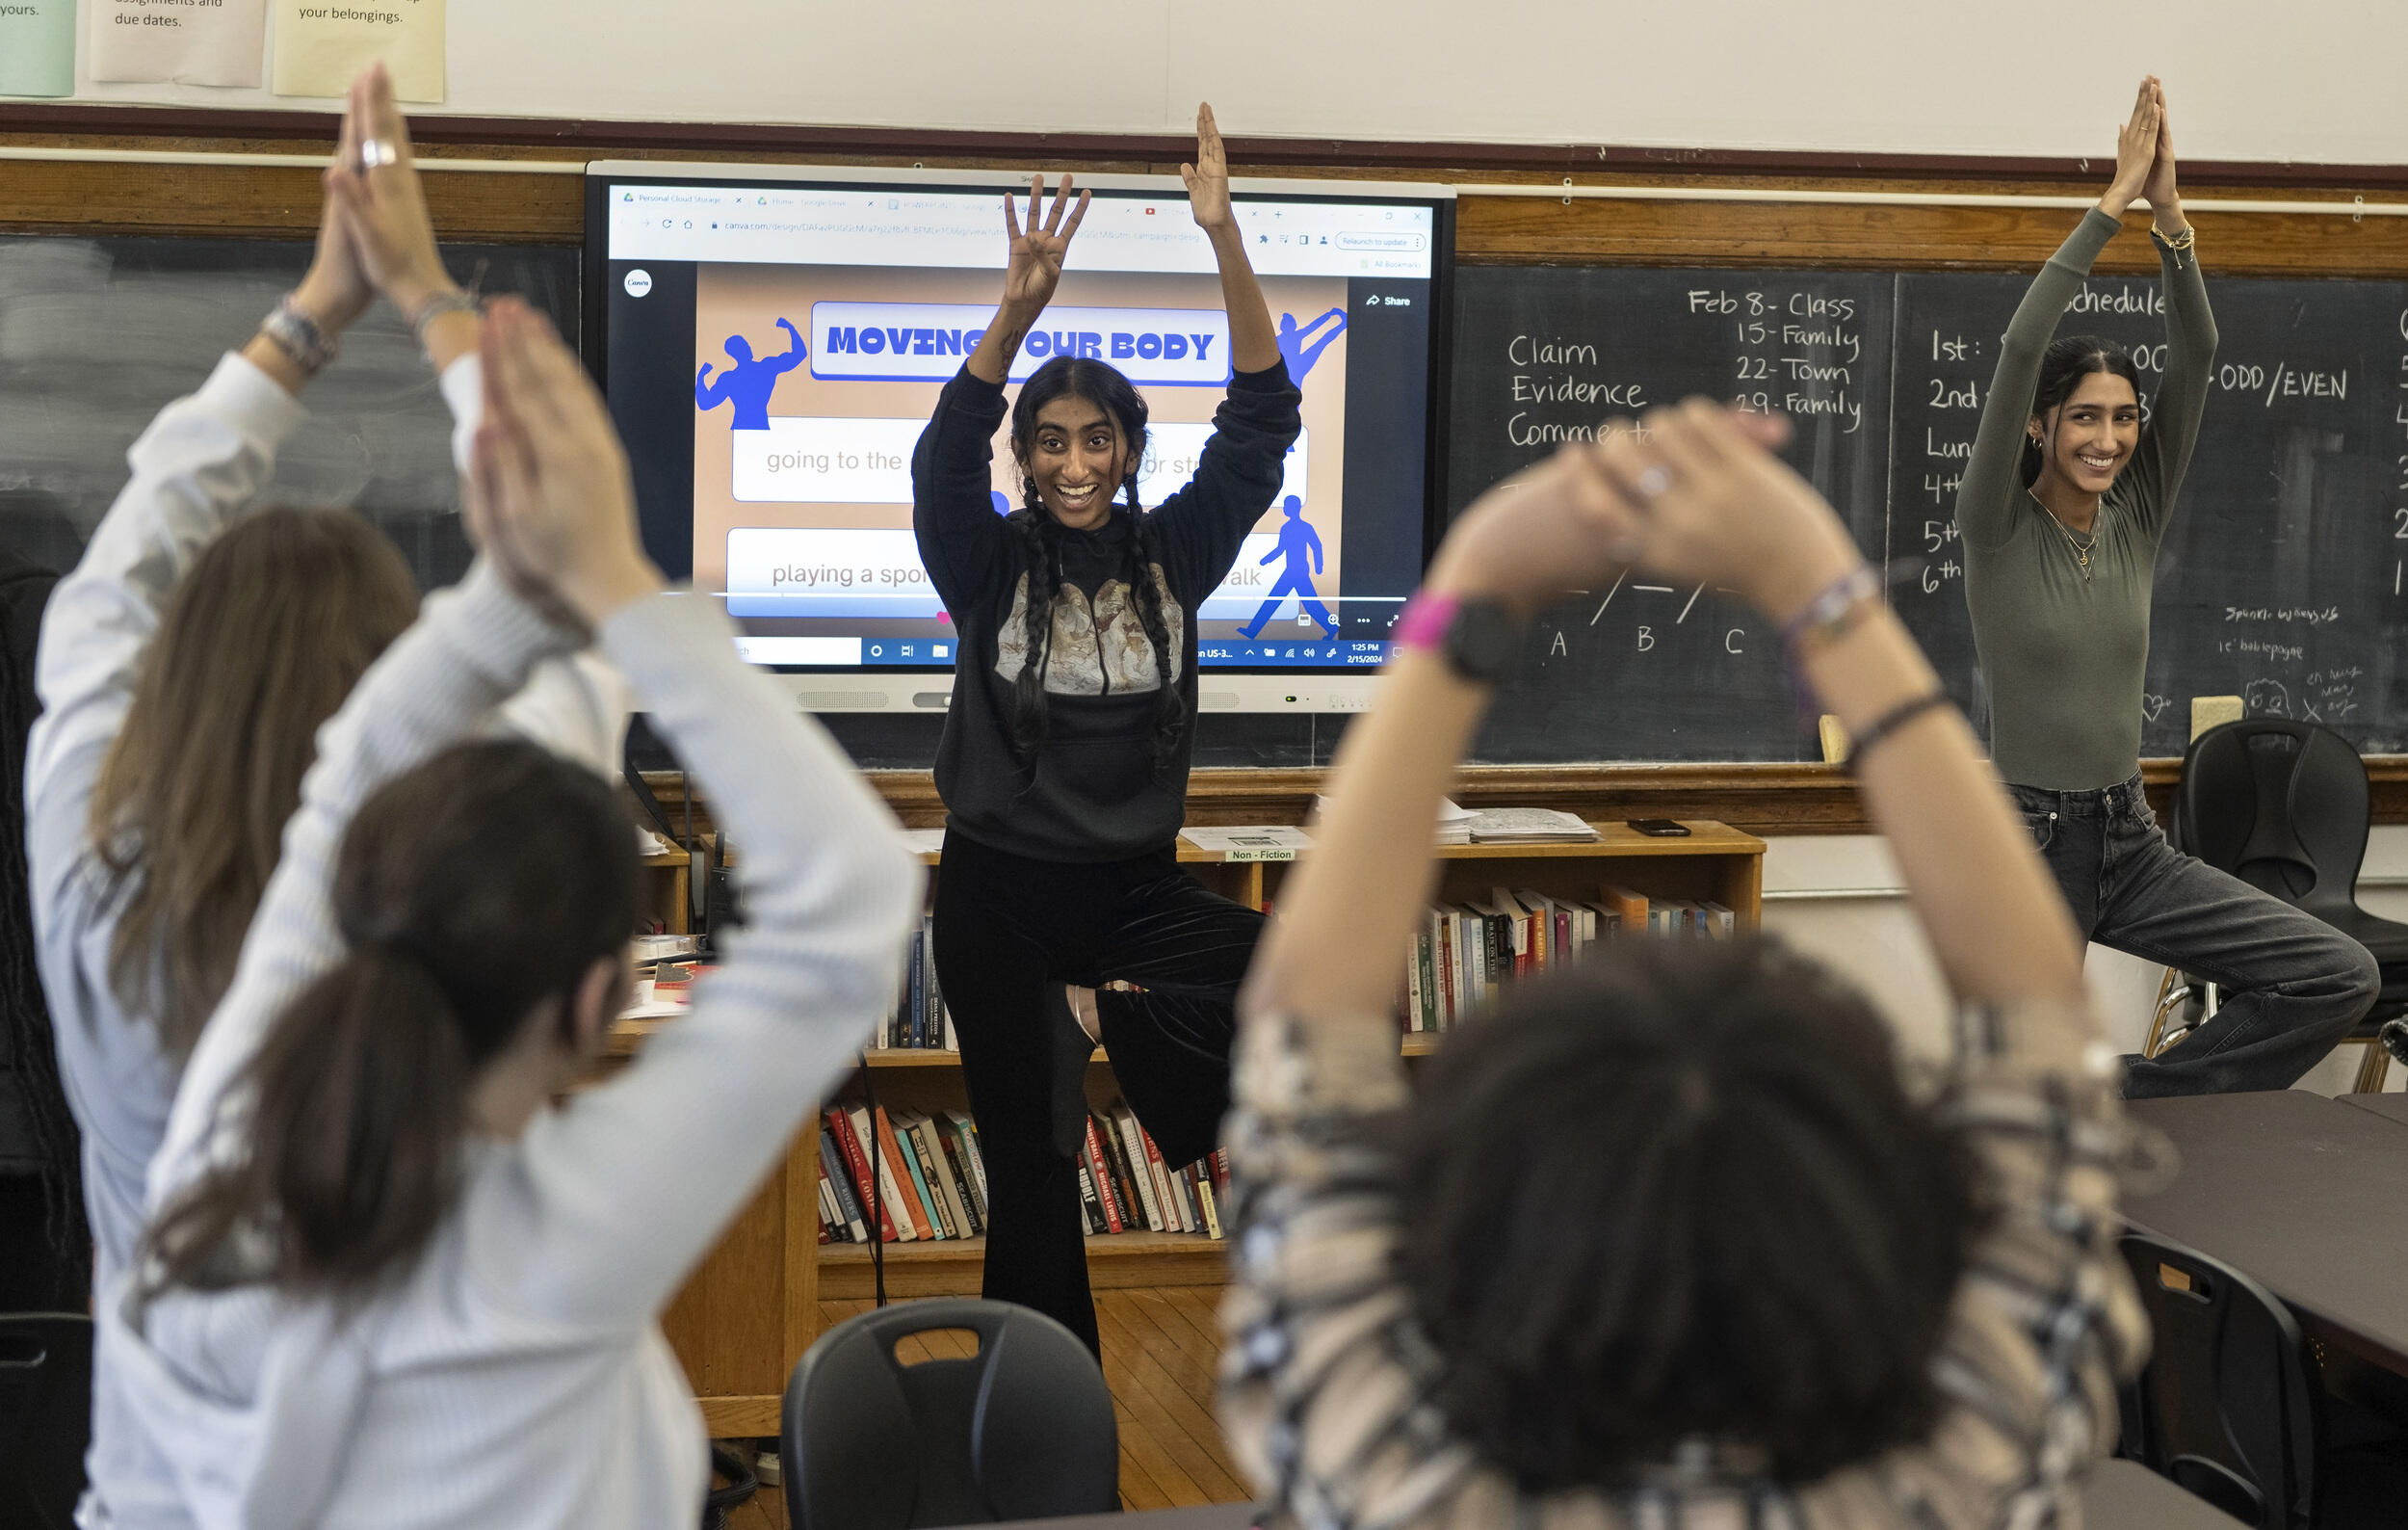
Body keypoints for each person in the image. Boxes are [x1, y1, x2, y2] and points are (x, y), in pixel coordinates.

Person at [1221, 400, 2143, 1527]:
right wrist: (1828, 594)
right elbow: (2039, 1008)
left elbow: (1300, 1029)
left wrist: (1472, 582)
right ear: (1886, 1209)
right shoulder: (1967, 1459)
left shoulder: (1396, 1474)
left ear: (1467, 1217)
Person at [109, 298, 919, 1530]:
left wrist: (567, 589)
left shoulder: (219, 1152)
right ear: (600, 998)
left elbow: (348, 778)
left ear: (347, 909)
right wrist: (602, 578)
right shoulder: (543, 1253)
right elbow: (861, 894)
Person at [26, 66, 622, 1526]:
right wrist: (428, 295)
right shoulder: (469, 911)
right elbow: (570, 601)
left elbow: (117, 574)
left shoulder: (91, 873)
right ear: (393, 680)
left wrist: (319, 307)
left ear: (172, 683)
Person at [910, 103, 1298, 1355]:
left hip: (1129, 896)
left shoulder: (1171, 555)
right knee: (1033, 1179)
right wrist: (1015, 316)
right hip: (998, 902)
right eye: (1053, 442)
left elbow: (1259, 424)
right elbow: (937, 463)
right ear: (1027, 458)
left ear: (1128, 450)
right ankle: (1042, 1437)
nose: (1076, 462)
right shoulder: (984, 564)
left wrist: (1223, 233)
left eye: (1099, 439)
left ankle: (1101, 1019)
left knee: (1315, 984)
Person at [1957, 77, 2373, 1096]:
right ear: (2039, 427)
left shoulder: (2135, 514)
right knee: (2018, 1093)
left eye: (2123, 417)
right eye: (2085, 417)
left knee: (2337, 974)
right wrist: (2110, 206)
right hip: (2027, 839)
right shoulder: (1994, 524)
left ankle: (2136, 1096)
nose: (2108, 437)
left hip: (2130, 837)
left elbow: (2200, 350)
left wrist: (2172, 218)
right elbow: (2019, 348)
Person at [1238, 494, 1332, 640]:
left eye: (1287, 506)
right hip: (1291, 571)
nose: (1284, 509)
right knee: (1276, 601)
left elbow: (1316, 546)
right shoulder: (1286, 528)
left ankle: (1332, 627)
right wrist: (1266, 559)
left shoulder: (1305, 527)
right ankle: (1252, 630)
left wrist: (1318, 567)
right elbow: (1281, 549)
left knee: (1308, 604)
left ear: (1294, 508)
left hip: (1299, 571)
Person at [695, 317, 806, 430]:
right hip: (747, 429)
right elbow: (705, 403)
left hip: (752, 428)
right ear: (736, 353)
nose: (748, 348)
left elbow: (799, 355)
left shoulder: (761, 368)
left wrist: (790, 328)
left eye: (747, 345)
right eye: (744, 346)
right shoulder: (763, 368)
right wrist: (700, 377)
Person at [1273, 306, 1347, 386]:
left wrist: (1328, 315)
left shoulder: (1294, 335)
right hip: (1293, 367)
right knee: (1322, 342)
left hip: (1299, 363)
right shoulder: (1280, 339)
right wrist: (1328, 315)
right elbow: (1313, 326)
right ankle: (1343, 325)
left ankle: (1343, 325)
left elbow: (1313, 326)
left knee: (1322, 342)